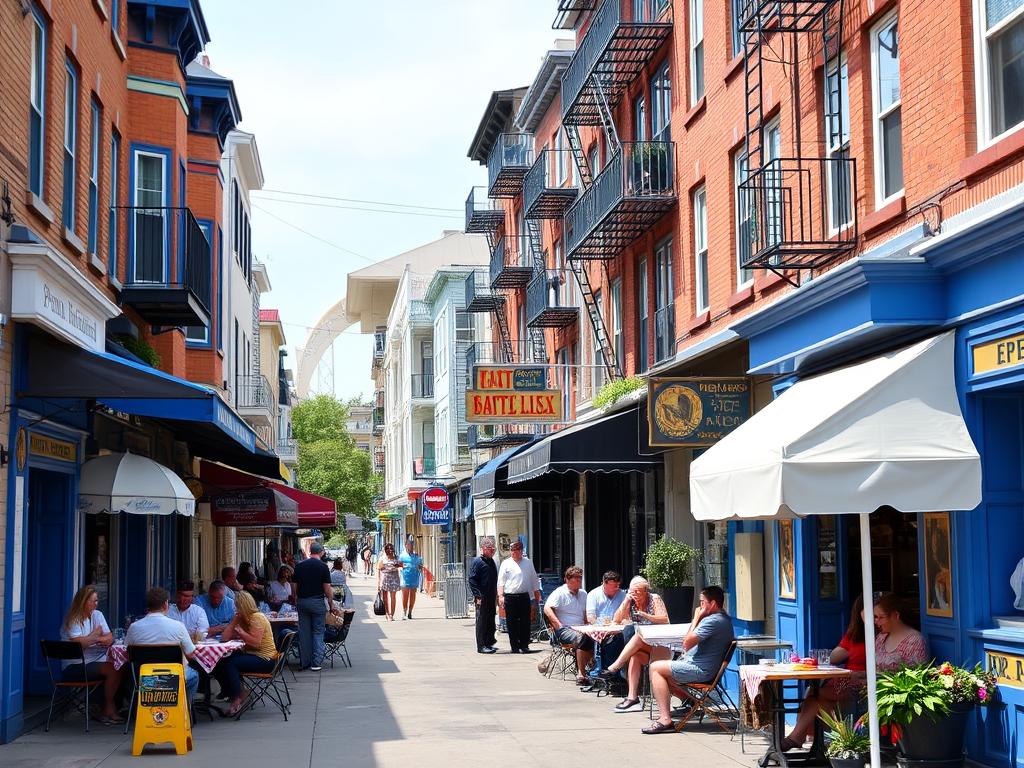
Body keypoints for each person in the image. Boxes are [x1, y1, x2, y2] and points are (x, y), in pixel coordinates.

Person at [643, 585, 735, 734]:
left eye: (702, 602)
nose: (700, 606)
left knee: (655, 668)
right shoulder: (722, 619)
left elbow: (687, 643)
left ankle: (665, 720)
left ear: (712, 604)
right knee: (662, 673)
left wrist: (696, 617)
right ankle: (690, 701)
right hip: (700, 667)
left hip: (701, 670)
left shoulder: (713, 620)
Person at [784, 596, 867, 751]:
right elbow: (832, 657)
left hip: (857, 684)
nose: (873, 616)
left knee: (814, 693)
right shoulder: (855, 635)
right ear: (859, 612)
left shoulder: (880, 637)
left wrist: (859, 673)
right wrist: (811, 660)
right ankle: (798, 736)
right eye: (867, 610)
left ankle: (797, 737)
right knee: (814, 697)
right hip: (844, 681)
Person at [597, 576, 670, 712]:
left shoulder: (654, 598)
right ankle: (632, 698)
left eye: (638, 591)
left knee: (637, 636)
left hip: (659, 646)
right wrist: (626, 600)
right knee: (634, 656)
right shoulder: (630, 602)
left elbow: (664, 619)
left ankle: (615, 666)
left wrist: (645, 615)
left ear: (645, 590)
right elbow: (617, 619)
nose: (635, 594)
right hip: (643, 648)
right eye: (632, 591)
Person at [125, 587, 201, 705]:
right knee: (194, 676)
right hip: (173, 677)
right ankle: (185, 711)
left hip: (144, 677)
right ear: (166, 604)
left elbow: (128, 651)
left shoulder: (134, 627)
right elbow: (191, 654)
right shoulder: (178, 626)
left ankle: (139, 709)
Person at [60, 585, 123, 724]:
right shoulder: (74, 619)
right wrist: (95, 635)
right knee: (113, 669)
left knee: (121, 665)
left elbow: (109, 638)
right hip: (75, 666)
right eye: (93, 601)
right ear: (83, 602)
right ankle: (108, 707)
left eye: (97, 600)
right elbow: (78, 645)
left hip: (96, 660)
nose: (96, 604)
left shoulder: (98, 614)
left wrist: (91, 638)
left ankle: (108, 706)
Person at [215, 590, 279, 716]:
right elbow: (224, 638)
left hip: (265, 659)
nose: (235, 608)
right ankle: (239, 691)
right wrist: (234, 622)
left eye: (237, 605)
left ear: (242, 605)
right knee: (221, 661)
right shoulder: (242, 618)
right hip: (253, 655)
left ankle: (237, 698)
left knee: (231, 664)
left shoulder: (256, 618)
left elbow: (256, 643)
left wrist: (242, 633)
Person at [292, 541, 341, 671]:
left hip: (302, 602)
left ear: (310, 552)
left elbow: (294, 587)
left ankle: (305, 662)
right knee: (318, 632)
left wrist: (297, 599)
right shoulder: (323, 567)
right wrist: (331, 605)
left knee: (304, 633)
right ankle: (316, 663)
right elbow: (327, 589)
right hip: (317, 602)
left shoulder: (299, 566)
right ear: (321, 552)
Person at [543, 565, 594, 685]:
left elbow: (585, 613)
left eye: (580, 578)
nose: (579, 581)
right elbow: (547, 608)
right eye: (575, 579)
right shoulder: (560, 593)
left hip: (581, 627)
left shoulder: (583, 594)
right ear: (567, 580)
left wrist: (589, 625)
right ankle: (581, 673)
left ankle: (594, 668)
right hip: (565, 629)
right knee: (583, 638)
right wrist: (558, 625)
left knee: (598, 637)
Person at [497, 540, 542, 654]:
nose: (513, 553)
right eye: (512, 551)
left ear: (521, 551)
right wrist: (501, 596)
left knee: (525, 622)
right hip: (510, 596)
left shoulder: (528, 562)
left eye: (516, 551)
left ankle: (524, 645)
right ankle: (515, 646)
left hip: (524, 596)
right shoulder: (506, 563)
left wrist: (537, 594)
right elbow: (501, 581)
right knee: (511, 622)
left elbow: (534, 579)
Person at [873, 592, 927, 671]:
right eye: (875, 617)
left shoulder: (915, 641)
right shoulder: (881, 638)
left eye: (881, 617)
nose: (876, 621)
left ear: (896, 615)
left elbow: (917, 675)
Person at [468, 537, 499, 654]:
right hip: (482, 597)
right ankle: (481, 646)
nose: (493, 552)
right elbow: (472, 580)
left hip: (491, 596)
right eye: (490, 549)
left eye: (493, 549)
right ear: (484, 549)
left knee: (490, 620)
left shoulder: (491, 561)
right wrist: (477, 596)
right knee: (482, 621)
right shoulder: (477, 562)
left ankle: (489, 642)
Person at [399, 537, 424, 620]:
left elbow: (421, 566)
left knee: (412, 595)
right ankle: (404, 611)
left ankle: (410, 611)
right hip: (405, 578)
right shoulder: (402, 556)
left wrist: (419, 567)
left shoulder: (416, 556)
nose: (410, 547)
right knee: (405, 595)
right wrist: (402, 566)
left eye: (412, 545)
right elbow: (398, 564)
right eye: (409, 545)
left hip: (414, 577)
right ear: (405, 545)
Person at [377, 542, 402, 621]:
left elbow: (402, 565)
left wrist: (399, 565)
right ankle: (387, 613)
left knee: (393, 597)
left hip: (394, 578)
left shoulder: (396, 558)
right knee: (385, 598)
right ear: (385, 550)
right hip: (385, 579)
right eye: (388, 548)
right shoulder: (382, 559)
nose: (390, 550)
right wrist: (378, 583)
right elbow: (379, 570)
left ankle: (392, 614)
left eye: (391, 548)